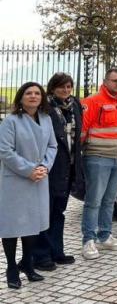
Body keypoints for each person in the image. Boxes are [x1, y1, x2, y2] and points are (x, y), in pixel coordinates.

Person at [0, 82, 57, 289]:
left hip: (40, 178)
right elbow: (5, 152)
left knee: (33, 223)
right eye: (28, 93)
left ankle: (27, 263)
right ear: (21, 98)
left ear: (42, 97)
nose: (33, 96)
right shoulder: (11, 121)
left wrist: (44, 167)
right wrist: (29, 170)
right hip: (16, 179)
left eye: (36, 93)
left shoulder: (47, 119)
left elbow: (53, 146)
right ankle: (11, 268)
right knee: (13, 225)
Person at [32, 73, 84, 271]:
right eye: (61, 87)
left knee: (59, 212)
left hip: (70, 166)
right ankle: (41, 255)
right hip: (52, 167)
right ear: (53, 88)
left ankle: (57, 251)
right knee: (45, 212)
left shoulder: (75, 106)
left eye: (69, 86)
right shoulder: (45, 108)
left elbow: (78, 136)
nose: (66, 90)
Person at [80, 68, 117, 260]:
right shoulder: (92, 101)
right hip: (97, 157)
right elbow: (83, 131)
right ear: (105, 81)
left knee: (109, 200)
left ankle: (105, 235)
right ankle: (88, 240)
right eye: (115, 80)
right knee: (93, 201)